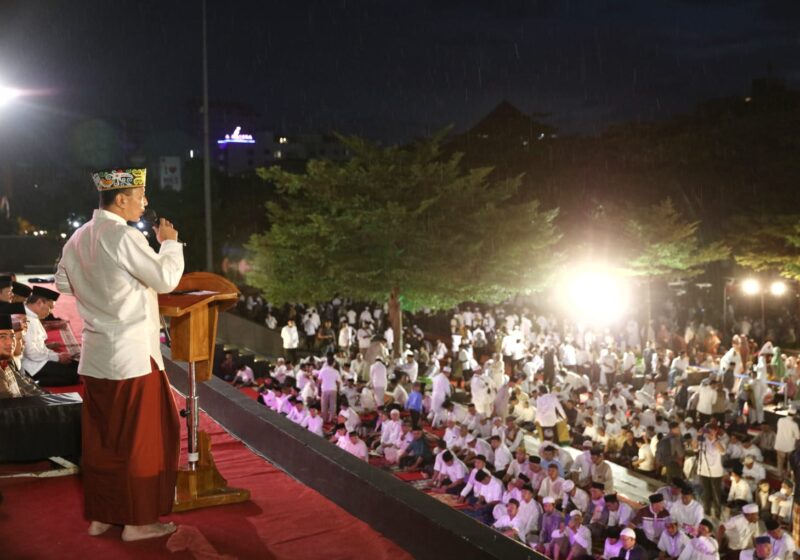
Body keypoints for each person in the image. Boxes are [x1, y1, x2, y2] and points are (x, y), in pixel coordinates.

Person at [54, 167, 184, 541]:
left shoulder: (78, 237)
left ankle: (103, 515)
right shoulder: (123, 236)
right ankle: (139, 521)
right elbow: (165, 279)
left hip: (97, 356)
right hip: (131, 356)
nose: (145, 202)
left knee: (103, 441)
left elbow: (63, 282)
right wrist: (169, 243)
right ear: (121, 198)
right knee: (143, 440)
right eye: (140, 195)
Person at [22, 286, 79, 386]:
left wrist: (56, 355)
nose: (50, 312)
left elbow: (38, 347)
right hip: (32, 366)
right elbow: (31, 353)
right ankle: (33, 383)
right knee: (73, 376)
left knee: (76, 366)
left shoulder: (32, 316)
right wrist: (57, 357)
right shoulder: (27, 320)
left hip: (39, 360)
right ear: (40, 303)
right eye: (50, 307)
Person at [775, 408, 800, 476]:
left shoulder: (780, 420)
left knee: (780, 463)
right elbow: (798, 437)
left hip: (779, 445)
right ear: (794, 415)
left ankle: (779, 476)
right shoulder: (794, 424)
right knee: (790, 464)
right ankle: (788, 478)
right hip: (789, 447)